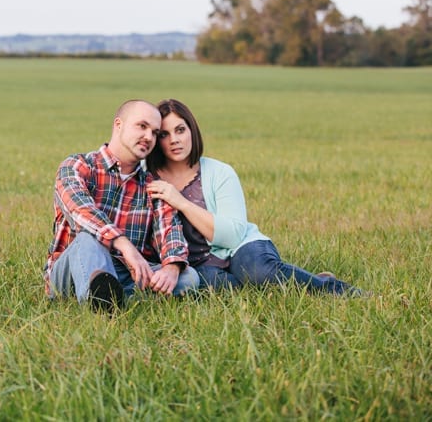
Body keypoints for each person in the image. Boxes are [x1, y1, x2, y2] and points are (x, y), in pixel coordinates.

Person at [145, 98, 365, 296]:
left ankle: (335, 288)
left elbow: (233, 235)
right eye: (164, 134)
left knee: (258, 272)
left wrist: (181, 202)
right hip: (196, 264)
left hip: (241, 247)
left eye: (180, 130)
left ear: (192, 130)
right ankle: (287, 281)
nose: (174, 139)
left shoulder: (219, 172)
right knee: (210, 286)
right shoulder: (147, 177)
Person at [44, 99, 200, 312]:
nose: (148, 137)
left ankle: (110, 300)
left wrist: (172, 267)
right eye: (142, 126)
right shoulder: (78, 166)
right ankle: (99, 297)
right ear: (119, 125)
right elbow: (81, 211)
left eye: (155, 132)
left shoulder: (152, 185)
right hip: (73, 269)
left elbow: (169, 231)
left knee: (189, 277)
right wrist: (125, 246)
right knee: (88, 237)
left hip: (126, 273)